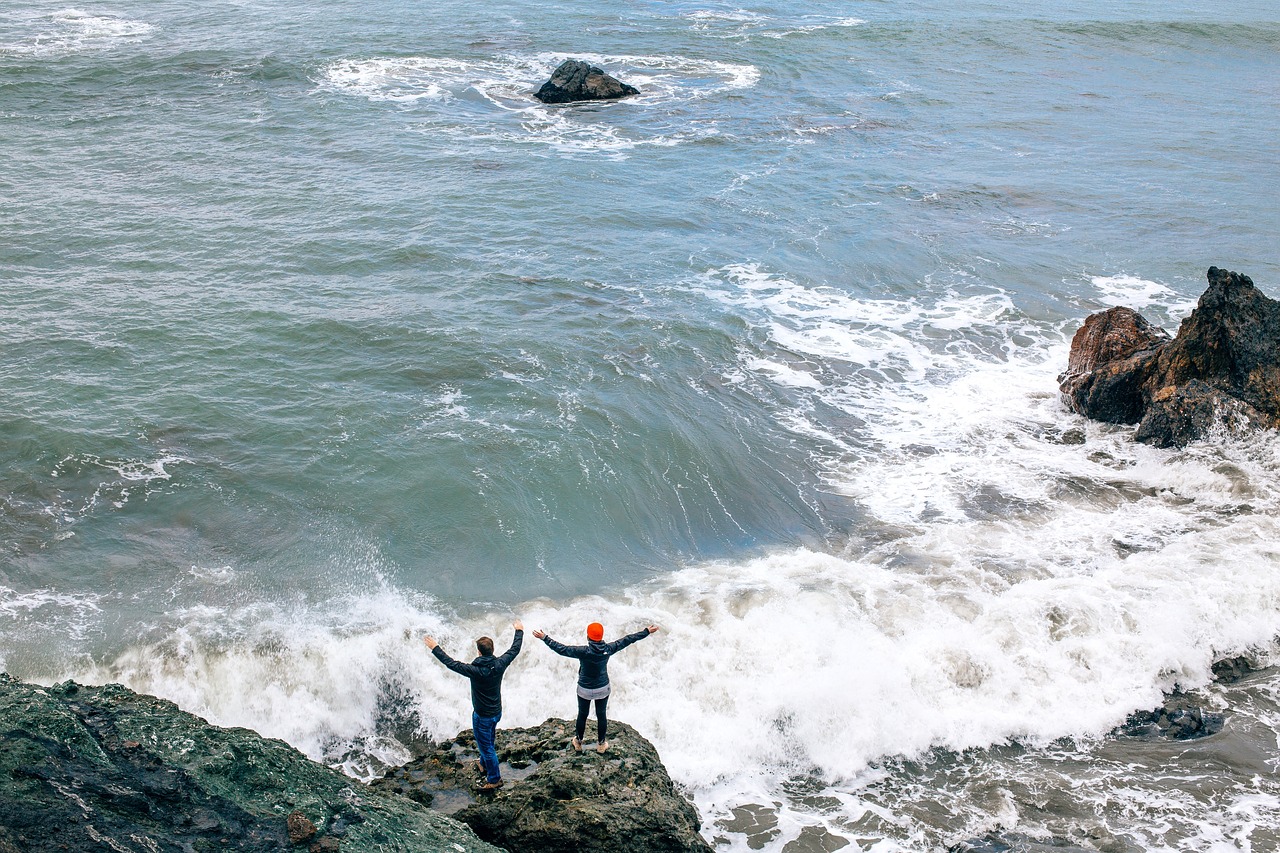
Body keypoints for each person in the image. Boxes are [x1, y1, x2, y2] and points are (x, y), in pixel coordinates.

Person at [424, 620, 523, 790]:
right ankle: (484, 765)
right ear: (492, 650)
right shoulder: (499, 664)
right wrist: (519, 631)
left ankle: (494, 779)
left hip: (482, 715)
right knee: (488, 741)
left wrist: (435, 648)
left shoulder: (474, 670)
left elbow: (451, 663)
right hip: (496, 712)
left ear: (478, 652)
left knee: (486, 747)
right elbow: (515, 649)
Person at [532, 621, 658, 753]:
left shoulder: (583, 651)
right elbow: (628, 640)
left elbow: (562, 649)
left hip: (584, 689)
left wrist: (545, 638)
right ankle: (601, 745)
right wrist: (646, 631)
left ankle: (578, 742)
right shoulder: (608, 649)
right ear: (601, 636)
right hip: (602, 688)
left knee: (582, 715)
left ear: (588, 637)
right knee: (601, 715)